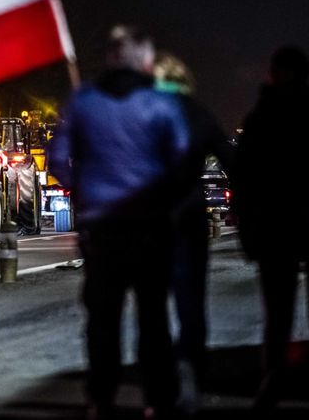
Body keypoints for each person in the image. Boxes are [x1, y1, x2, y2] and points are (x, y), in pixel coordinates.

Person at [48, 25, 190, 420]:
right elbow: (182, 161)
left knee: (102, 318)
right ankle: (159, 399)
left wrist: (84, 188)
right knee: (154, 318)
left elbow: (57, 159)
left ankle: (101, 398)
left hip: (101, 229)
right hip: (150, 227)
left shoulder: (83, 102)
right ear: (146, 61)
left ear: (110, 58)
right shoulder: (162, 105)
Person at [230, 46, 309, 416]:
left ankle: (273, 382)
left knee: (277, 315)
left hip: (274, 231)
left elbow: (242, 184)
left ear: (273, 74)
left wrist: (248, 232)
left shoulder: (259, 121)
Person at [154, 53, 236, 416]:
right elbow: (232, 160)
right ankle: (193, 370)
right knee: (191, 302)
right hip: (189, 219)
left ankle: (158, 383)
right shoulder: (198, 114)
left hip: (150, 220)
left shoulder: (144, 115)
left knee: (152, 304)